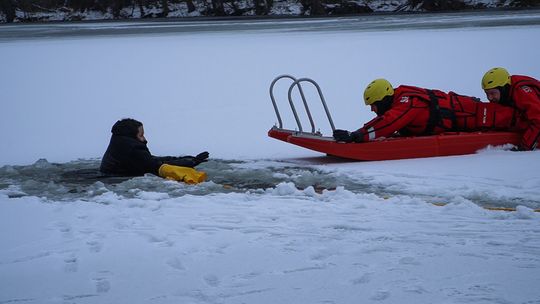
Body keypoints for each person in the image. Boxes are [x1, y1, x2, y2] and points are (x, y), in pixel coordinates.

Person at [333, 78, 518, 143]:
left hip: (472, 114)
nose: (373, 109)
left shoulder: (407, 102)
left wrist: (357, 135)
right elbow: (388, 120)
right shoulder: (401, 99)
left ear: (384, 99)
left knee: (516, 119)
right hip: (464, 110)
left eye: (374, 104)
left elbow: (389, 122)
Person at [100, 118, 208, 184]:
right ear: (131, 136)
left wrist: (184, 159)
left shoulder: (120, 143)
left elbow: (151, 160)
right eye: (141, 135)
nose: (145, 139)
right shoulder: (133, 149)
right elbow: (155, 165)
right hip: (117, 181)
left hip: (109, 176)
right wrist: (191, 162)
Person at [481, 67, 540, 150]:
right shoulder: (505, 95)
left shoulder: (522, 93)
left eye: (492, 93)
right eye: (487, 93)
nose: (490, 98)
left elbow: (538, 119)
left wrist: (524, 146)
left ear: (503, 88)